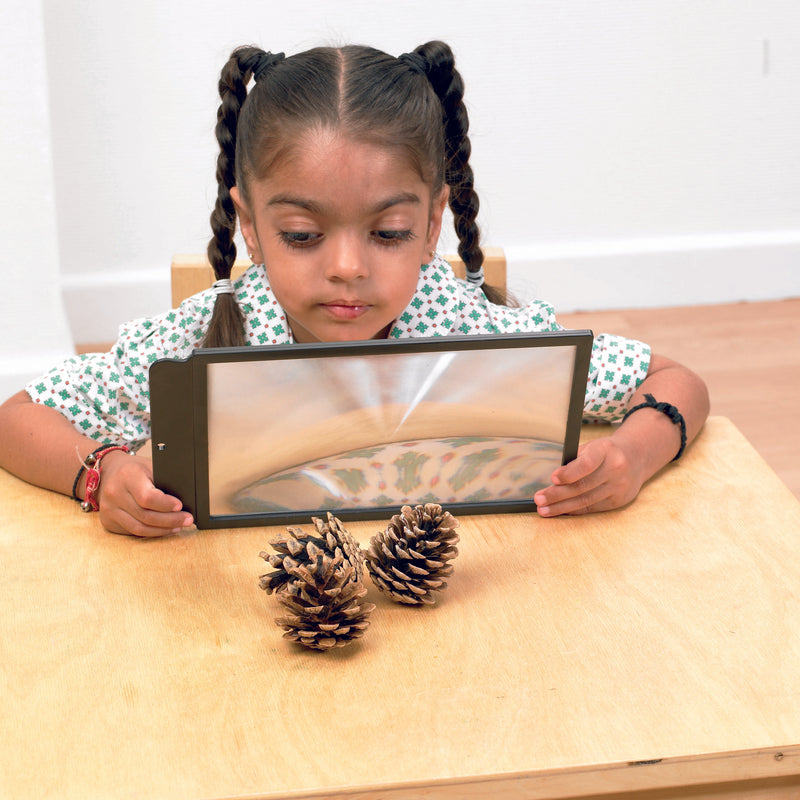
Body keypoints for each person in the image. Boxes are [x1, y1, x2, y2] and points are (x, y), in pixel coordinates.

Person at [0, 41, 709, 537]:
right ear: (250, 226)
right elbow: (19, 417)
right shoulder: (196, 343)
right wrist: (99, 473)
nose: (347, 267)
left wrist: (634, 455)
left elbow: (675, 379)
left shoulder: (476, 334)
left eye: (389, 232)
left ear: (433, 224)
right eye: (304, 235)